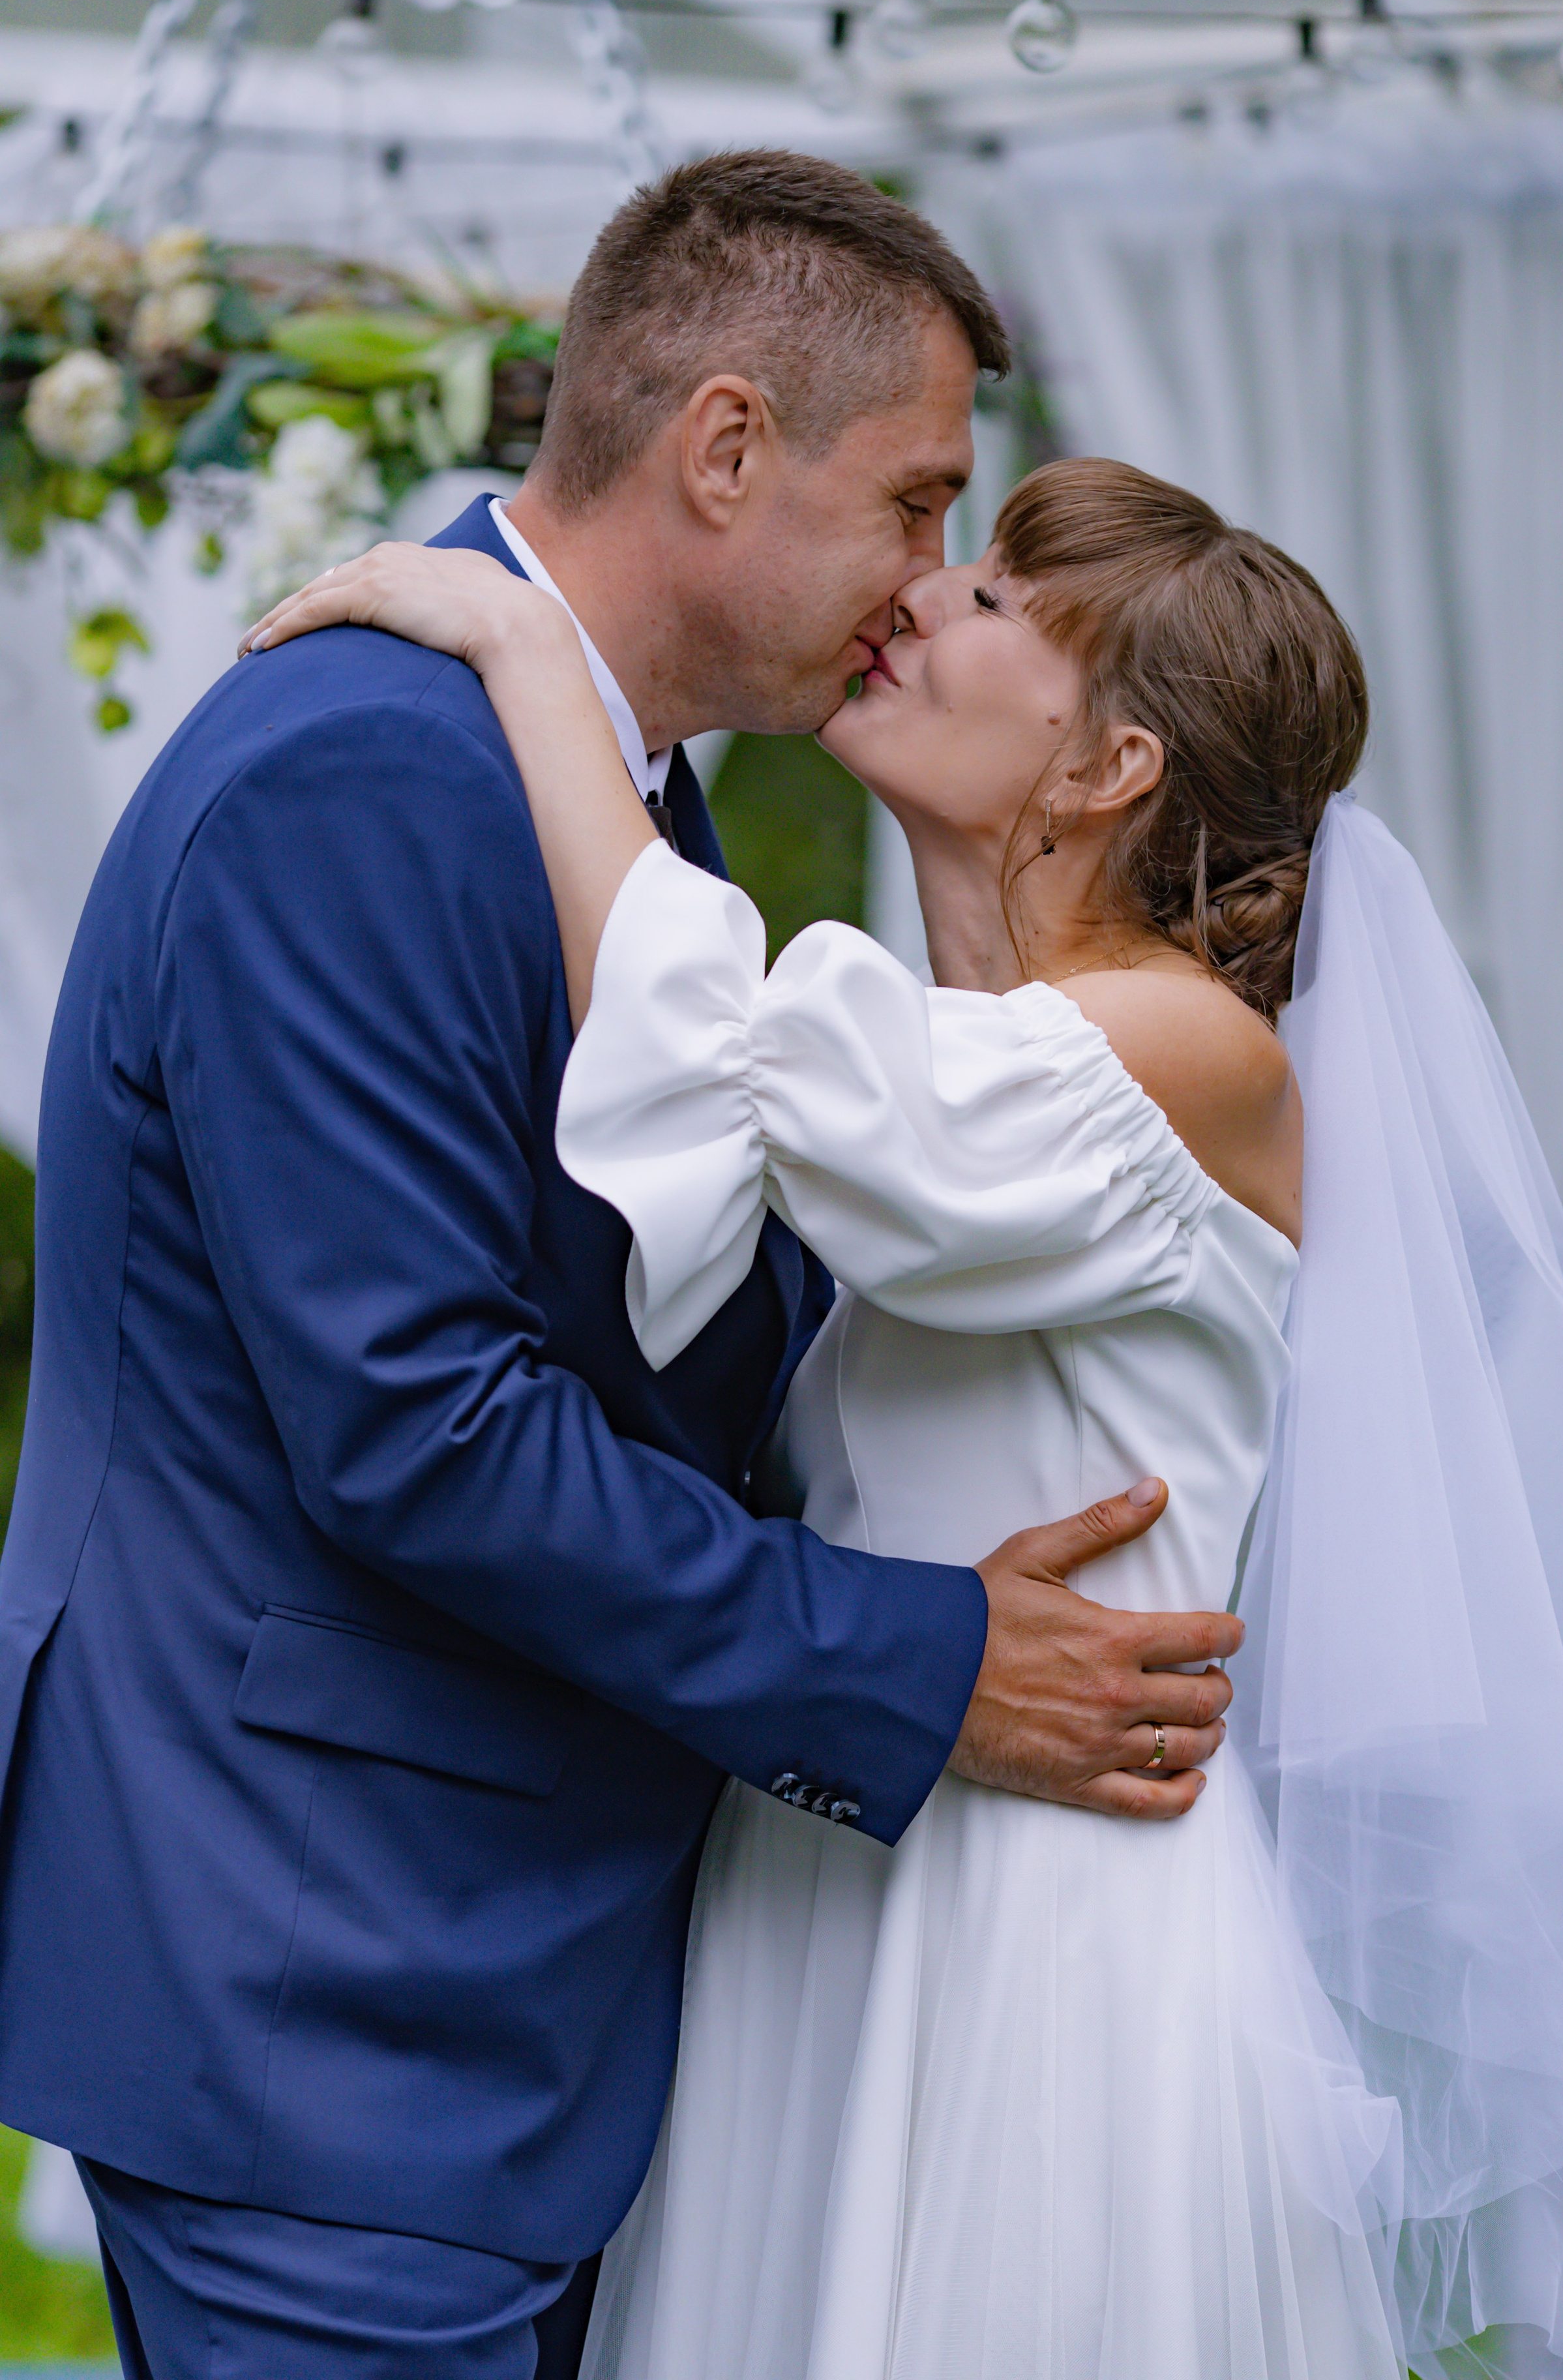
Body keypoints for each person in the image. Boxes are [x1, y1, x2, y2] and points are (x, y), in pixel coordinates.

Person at [0, 156, 1245, 2380]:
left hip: (496, 1981)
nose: (931, 587)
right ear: (729, 445)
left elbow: (697, 1317)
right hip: (334, 1981)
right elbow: (423, 1429)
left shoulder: (608, 791)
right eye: (918, 506)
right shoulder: (367, 776)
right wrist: (922, 1660)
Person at [248, 451, 1563, 2380]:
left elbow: (720, 1053)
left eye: (993, 599)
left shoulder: (1192, 1049)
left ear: (1108, 771)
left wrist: (518, 634)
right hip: (836, 1881)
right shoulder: (976, 1067)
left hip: (1040, 1941)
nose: (919, 599)